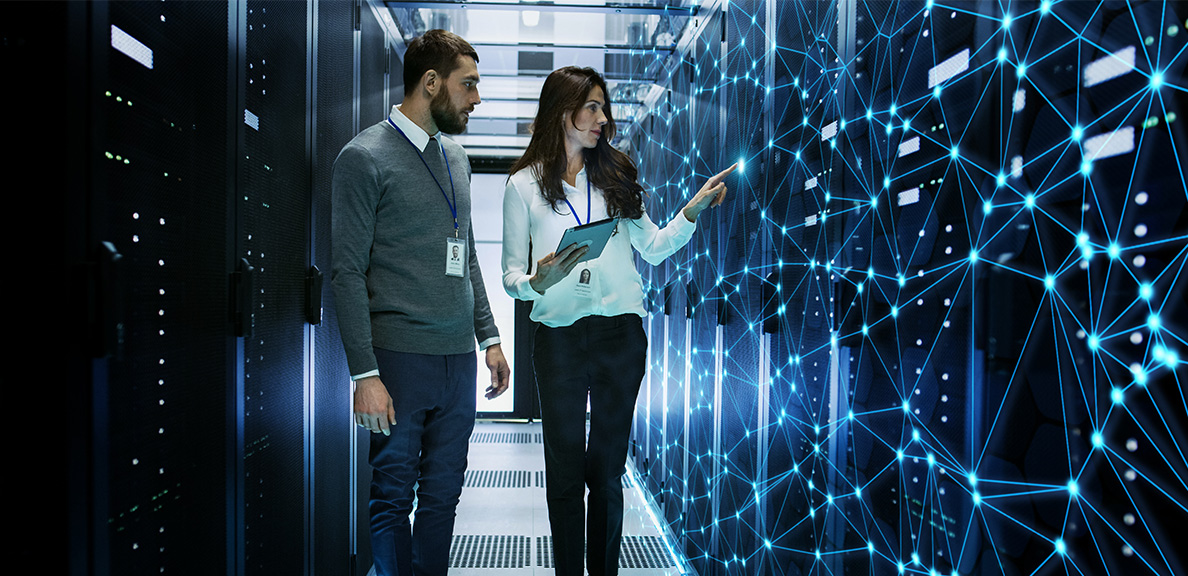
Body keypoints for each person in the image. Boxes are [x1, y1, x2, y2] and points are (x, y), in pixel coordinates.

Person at [501, 66, 735, 576]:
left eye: (604, 109)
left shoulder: (615, 176)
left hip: (619, 338)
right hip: (557, 341)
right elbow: (510, 276)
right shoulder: (522, 186)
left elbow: (652, 249)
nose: (602, 119)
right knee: (563, 473)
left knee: (606, 474)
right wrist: (536, 282)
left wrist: (690, 212)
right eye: (593, 108)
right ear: (563, 112)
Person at [331, 29, 510, 576]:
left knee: (442, 500)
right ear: (431, 83)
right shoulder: (363, 158)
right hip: (398, 362)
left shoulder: (455, 158)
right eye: (469, 85)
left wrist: (491, 338)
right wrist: (365, 373)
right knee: (390, 499)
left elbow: (468, 256)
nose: (477, 99)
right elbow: (345, 273)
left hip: (458, 362)